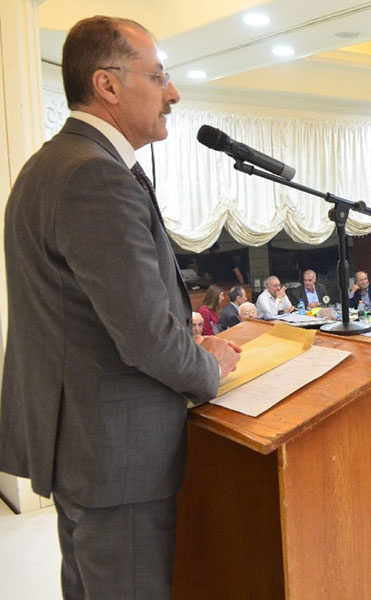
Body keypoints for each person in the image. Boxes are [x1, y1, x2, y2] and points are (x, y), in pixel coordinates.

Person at [0, 16, 243, 599]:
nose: (172, 93)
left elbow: (88, 313)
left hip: (84, 444)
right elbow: (144, 336)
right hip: (118, 455)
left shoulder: (49, 163)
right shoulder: (96, 177)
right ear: (107, 85)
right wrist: (209, 366)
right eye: (158, 76)